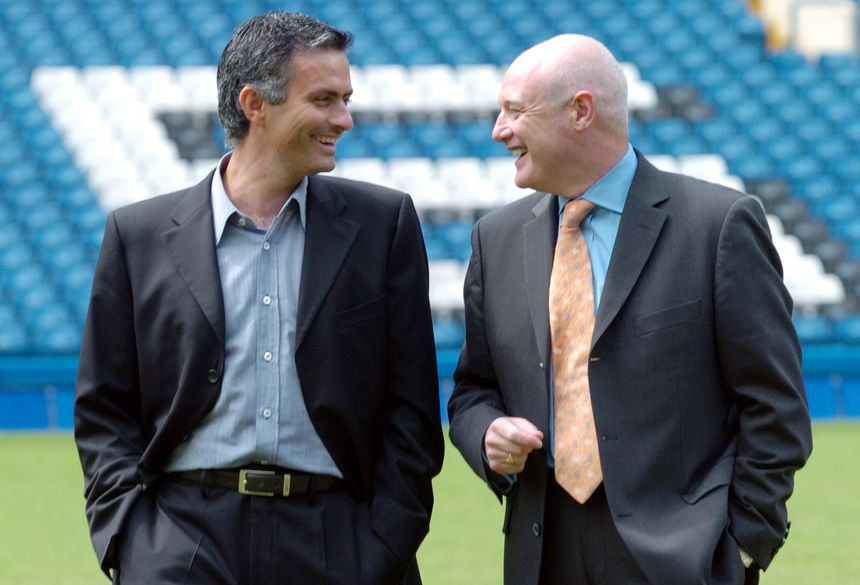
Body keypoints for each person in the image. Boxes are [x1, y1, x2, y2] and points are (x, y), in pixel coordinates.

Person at [75, 11, 443, 585]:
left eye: (345, 98)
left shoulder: (383, 225)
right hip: (182, 542)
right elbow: (105, 410)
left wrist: (383, 543)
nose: (343, 118)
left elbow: (412, 411)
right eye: (324, 99)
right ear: (255, 104)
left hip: (338, 542)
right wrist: (131, 542)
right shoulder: (137, 236)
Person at [448, 34, 812, 585]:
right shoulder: (494, 240)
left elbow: (774, 406)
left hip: (683, 559)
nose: (499, 131)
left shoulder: (717, 225)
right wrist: (486, 433)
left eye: (515, 112)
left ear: (581, 111)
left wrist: (741, 545)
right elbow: (473, 390)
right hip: (541, 554)